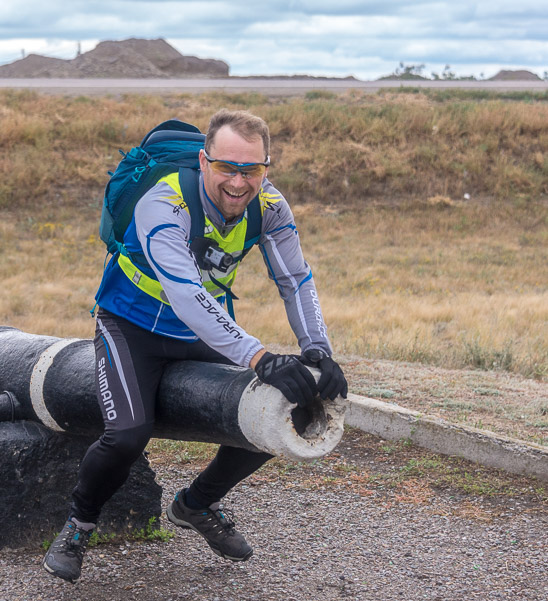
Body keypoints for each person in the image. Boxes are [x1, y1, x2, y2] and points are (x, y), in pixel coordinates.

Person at [42, 109, 348, 583]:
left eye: (252, 170)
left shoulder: (269, 206)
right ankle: (79, 524)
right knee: (126, 436)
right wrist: (257, 355)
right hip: (131, 327)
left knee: (276, 410)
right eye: (226, 167)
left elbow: (295, 279)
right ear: (204, 162)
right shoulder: (163, 203)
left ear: (267, 168)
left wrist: (317, 349)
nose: (238, 183)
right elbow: (184, 291)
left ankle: (196, 504)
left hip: (203, 332)